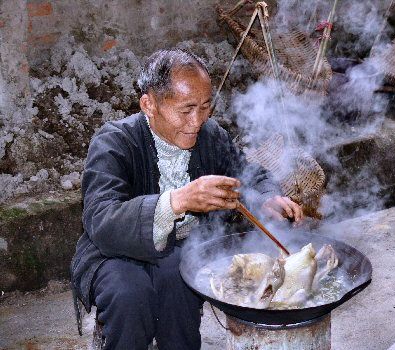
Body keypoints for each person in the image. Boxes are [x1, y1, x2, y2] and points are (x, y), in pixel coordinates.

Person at [70, 48, 303, 350]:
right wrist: (178, 201)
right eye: (186, 110)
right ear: (149, 104)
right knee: (130, 294)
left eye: (205, 107)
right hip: (113, 252)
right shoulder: (113, 141)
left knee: (181, 278)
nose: (197, 121)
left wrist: (267, 198)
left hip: (176, 251)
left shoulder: (210, 135)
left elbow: (248, 174)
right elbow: (101, 220)